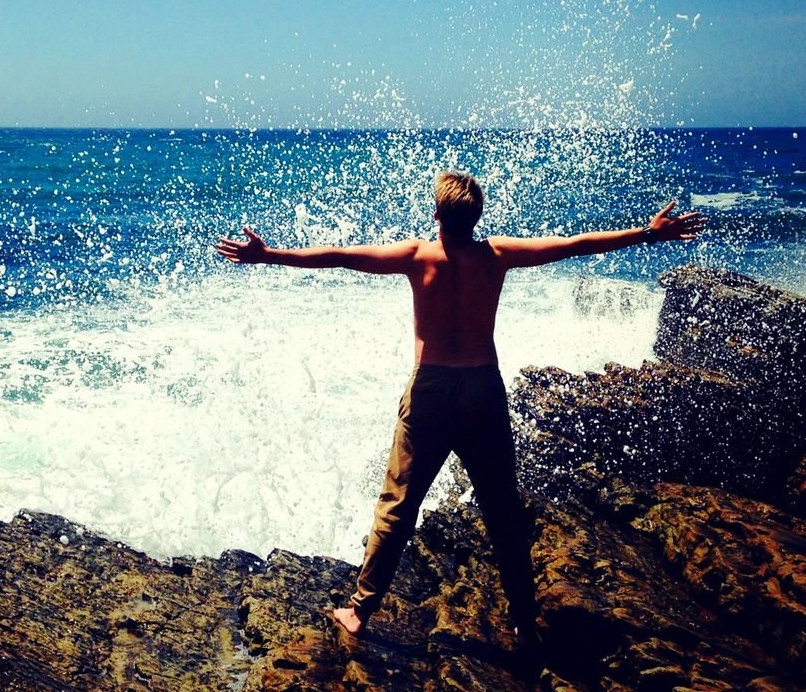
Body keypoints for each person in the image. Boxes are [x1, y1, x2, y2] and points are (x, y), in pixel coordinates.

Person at [215, 171, 706, 642]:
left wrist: (268, 255)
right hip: (481, 390)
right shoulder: (496, 255)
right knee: (501, 512)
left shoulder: (417, 256)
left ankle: (360, 611)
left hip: (430, 391)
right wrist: (648, 233)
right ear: (476, 216)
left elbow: (341, 257)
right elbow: (575, 245)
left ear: (436, 213)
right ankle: (525, 625)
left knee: (398, 506)